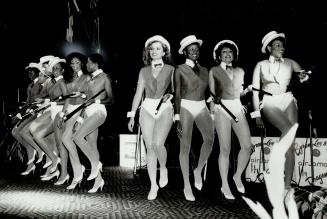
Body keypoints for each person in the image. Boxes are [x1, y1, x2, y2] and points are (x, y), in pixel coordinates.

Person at [252, 31, 309, 191]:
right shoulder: (260, 65)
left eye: (282, 45)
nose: (282, 48)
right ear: (269, 47)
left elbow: (303, 76)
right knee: (288, 131)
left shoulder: (290, 62)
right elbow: (255, 92)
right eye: (277, 45)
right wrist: (257, 115)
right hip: (269, 101)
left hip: (287, 98)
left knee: (290, 144)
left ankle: (286, 186)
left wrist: (304, 77)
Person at [127, 35, 174, 200]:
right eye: (151, 49)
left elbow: (176, 90)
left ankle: (164, 167)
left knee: (158, 143)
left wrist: (171, 95)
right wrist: (132, 115)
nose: (154, 51)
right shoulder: (143, 70)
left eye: (158, 48)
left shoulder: (171, 69)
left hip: (165, 108)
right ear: (148, 52)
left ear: (164, 52)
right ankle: (153, 185)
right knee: (150, 147)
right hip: (147, 107)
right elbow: (138, 94)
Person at [209, 40, 252, 200]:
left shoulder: (240, 71)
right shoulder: (214, 70)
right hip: (221, 111)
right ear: (219, 55)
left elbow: (237, 93)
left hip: (237, 108)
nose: (228, 54)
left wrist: (246, 90)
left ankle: (237, 176)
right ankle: (225, 184)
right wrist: (212, 115)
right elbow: (213, 95)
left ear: (234, 55)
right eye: (224, 52)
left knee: (247, 146)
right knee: (225, 149)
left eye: (230, 52)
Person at [174, 35, 214, 201]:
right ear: (185, 52)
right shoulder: (179, 69)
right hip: (185, 106)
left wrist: (214, 98)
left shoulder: (205, 70)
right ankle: (186, 185)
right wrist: (176, 118)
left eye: (196, 49)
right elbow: (176, 94)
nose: (195, 52)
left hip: (201, 105)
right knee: (185, 145)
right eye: (191, 50)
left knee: (210, 140)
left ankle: (198, 170)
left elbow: (207, 91)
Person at [72, 53, 114, 193]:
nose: (86, 65)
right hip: (88, 113)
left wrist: (96, 101)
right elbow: (86, 102)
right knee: (92, 147)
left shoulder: (105, 77)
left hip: (99, 112)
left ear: (96, 64)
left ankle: (96, 164)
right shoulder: (90, 79)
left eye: (89, 62)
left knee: (77, 137)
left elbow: (111, 99)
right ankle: (98, 181)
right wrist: (80, 118)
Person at [29, 57, 67, 181]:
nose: (46, 69)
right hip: (52, 111)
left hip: (58, 113)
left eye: (45, 66)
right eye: (47, 67)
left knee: (58, 144)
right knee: (45, 139)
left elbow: (66, 99)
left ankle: (62, 172)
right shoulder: (52, 81)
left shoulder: (59, 81)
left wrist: (62, 114)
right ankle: (54, 167)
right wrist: (43, 100)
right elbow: (47, 96)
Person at [11, 62, 45, 175]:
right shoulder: (30, 86)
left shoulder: (41, 84)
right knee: (15, 132)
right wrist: (20, 112)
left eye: (32, 72)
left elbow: (41, 99)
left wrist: (31, 109)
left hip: (37, 112)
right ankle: (32, 151)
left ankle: (36, 152)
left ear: (38, 72)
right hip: (29, 111)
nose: (30, 74)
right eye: (29, 72)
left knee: (21, 131)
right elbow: (28, 102)